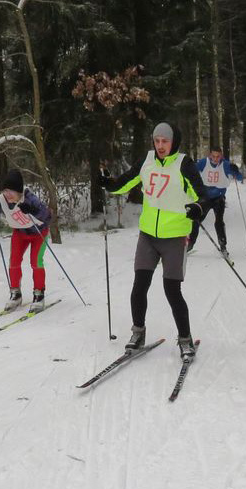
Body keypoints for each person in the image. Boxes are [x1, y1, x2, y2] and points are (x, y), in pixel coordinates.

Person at [102, 122, 209, 362]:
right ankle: (138, 333)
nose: (160, 146)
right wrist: (108, 182)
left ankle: (185, 339)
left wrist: (198, 206)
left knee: (172, 290)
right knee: (140, 285)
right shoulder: (147, 161)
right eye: (157, 141)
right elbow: (124, 183)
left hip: (174, 238)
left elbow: (203, 194)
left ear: (174, 142)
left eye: (165, 141)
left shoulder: (184, 164)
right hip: (148, 236)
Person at [0, 169, 53, 312]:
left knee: (35, 261)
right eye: (4, 191)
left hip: (39, 233)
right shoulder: (2, 200)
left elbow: (47, 216)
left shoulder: (30, 199)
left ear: (18, 190)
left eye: (10, 191)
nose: (7, 194)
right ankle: (15, 294)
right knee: (14, 261)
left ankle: (39, 295)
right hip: (20, 233)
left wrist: (32, 210)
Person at [188, 146, 244, 256]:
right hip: (205, 197)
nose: (215, 159)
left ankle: (223, 246)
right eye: (213, 156)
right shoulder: (204, 162)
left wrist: (236, 171)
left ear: (221, 156)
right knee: (196, 220)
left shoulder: (226, 165)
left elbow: (240, 178)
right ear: (210, 155)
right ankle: (190, 244)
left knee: (219, 221)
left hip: (219, 198)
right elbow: (190, 171)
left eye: (218, 156)